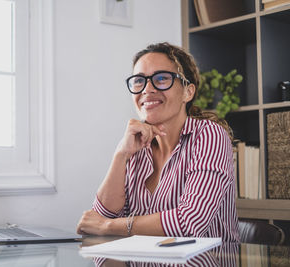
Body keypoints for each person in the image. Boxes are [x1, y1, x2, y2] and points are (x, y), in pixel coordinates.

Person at [76, 42, 239, 242]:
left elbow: (190, 222)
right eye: (139, 81)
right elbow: (100, 219)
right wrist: (121, 155)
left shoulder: (209, 136)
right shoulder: (137, 144)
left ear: (188, 92)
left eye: (162, 78)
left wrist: (109, 226)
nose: (148, 89)